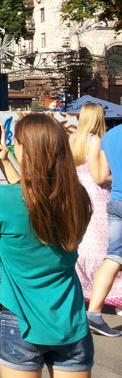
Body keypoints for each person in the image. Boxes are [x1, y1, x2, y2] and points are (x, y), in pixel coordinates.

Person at [0, 114, 94, 377]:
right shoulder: (77, 197)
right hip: (69, 320)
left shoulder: (4, 199)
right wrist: (4, 162)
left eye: (17, 143)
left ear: (26, 151)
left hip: (19, 320)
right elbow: (34, 199)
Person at [70, 104, 122, 315]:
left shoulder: (72, 139)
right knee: (108, 250)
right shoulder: (95, 141)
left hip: (78, 194)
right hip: (97, 196)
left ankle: (84, 293)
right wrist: (115, 175)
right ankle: (114, 297)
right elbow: (99, 177)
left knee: (84, 246)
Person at [87, 122, 122, 337]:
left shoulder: (109, 136)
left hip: (116, 201)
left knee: (114, 257)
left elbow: (101, 174)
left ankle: (94, 312)